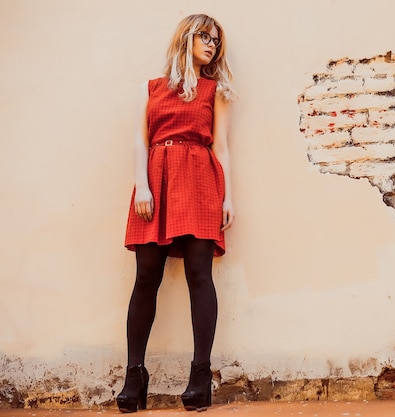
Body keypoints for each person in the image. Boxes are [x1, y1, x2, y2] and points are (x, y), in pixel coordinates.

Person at [116, 14, 236, 413]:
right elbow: (139, 141)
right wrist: (142, 185)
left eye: (216, 41)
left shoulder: (214, 90)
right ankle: (135, 376)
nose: (211, 45)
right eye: (205, 37)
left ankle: (200, 377)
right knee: (146, 276)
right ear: (186, 38)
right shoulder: (149, 89)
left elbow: (221, 147)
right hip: (157, 181)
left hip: (201, 182)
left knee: (199, 276)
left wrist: (228, 197)